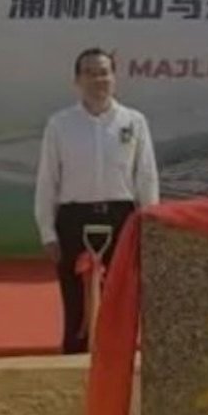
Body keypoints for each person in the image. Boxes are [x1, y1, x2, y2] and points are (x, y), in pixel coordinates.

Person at [35, 48, 160, 355]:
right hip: (74, 219)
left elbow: (146, 177)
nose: (98, 79)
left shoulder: (133, 121)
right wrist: (48, 232)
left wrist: (150, 225)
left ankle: (118, 362)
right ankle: (75, 364)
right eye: (90, 73)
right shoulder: (60, 124)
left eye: (104, 72)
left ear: (114, 78)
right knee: (76, 300)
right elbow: (48, 180)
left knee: (120, 298)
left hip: (121, 218)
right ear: (77, 80)